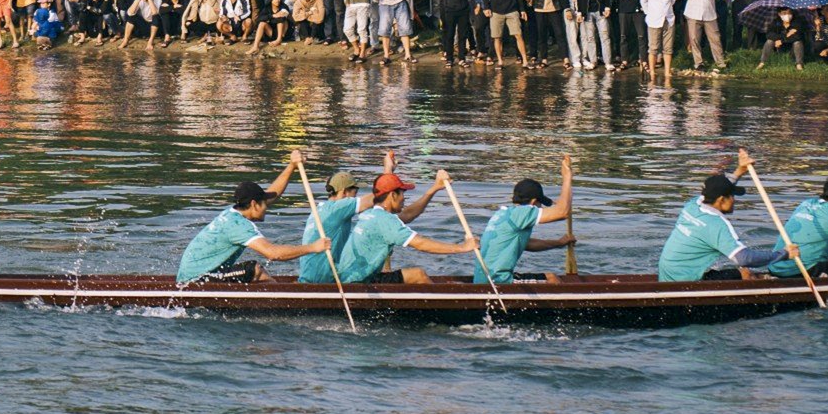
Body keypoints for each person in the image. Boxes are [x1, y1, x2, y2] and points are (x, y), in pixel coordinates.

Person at [176, 168, 334, 286]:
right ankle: (283, 307)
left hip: (197, 274)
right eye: (264, 203)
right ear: (253, 204)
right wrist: (313, 247)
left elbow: (274, 193)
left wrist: (291, 166)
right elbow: (273, 254)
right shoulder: (239, 226)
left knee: (252, 271)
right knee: (255, 269)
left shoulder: (234, 212)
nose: (267, 207)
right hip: (196, 280)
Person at [656, 154, 789, 282]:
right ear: (721, 199)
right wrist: (783, 254)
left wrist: (740, 170)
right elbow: (744, 258)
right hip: (686, 281)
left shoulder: (693, 205)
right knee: (745, 271)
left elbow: (716, 188)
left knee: (742, 270)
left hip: (668, 273)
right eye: (731, 196)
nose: (734, 200)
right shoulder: (716, 224)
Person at [334, 170, 475, 285]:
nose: (404, 199)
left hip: (349, 277)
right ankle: (445, 312)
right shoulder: (385, 220)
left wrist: (434, 188)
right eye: (402, 194)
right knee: (417, 275)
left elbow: (408, 214)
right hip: (359, 282)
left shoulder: (371, 213)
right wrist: (462, 248)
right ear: (393, 195)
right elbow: (420, 244)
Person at [473, 158, 576, 283]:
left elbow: (526, 244)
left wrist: (559, 243)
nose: (540, 208)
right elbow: (563, 212)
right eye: (540, 204)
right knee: (552, 280)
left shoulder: (503, 213)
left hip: (483, 278)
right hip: (497, 281)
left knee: (549, 276)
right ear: (533, 202)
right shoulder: (523, 212)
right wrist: (567, 178)